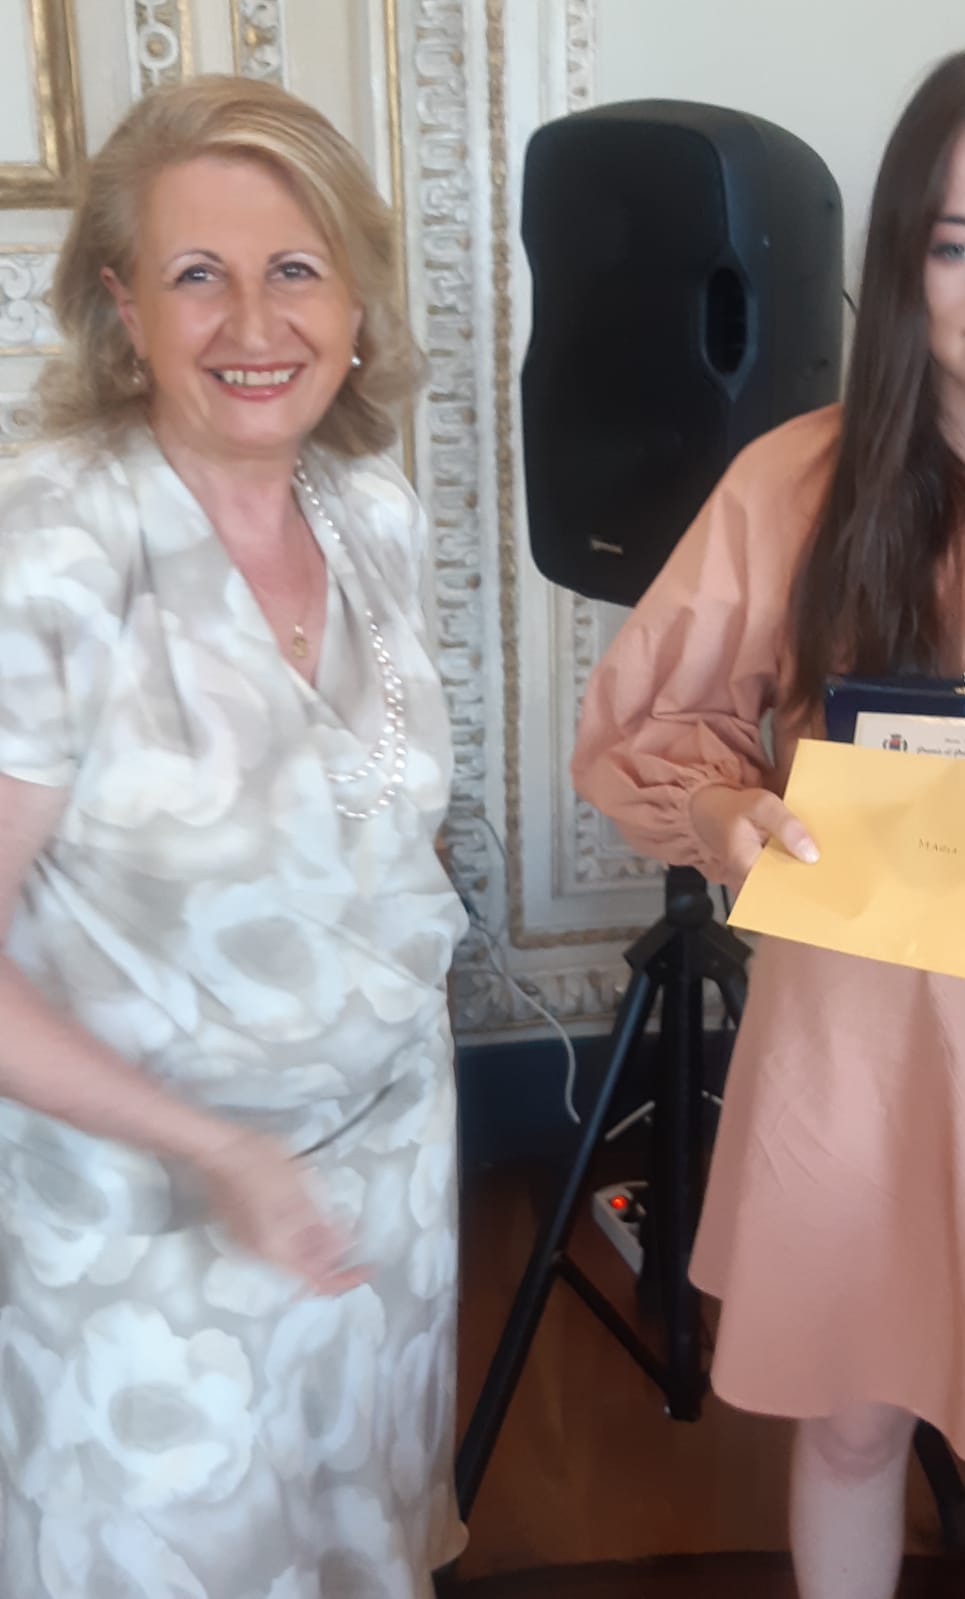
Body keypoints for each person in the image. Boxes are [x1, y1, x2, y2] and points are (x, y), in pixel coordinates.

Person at [573, 42, 965, 1599]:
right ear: (902, 259)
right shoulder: (795, 484)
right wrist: (726, 812)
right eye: (955, 242)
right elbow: (658, 723)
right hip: (846, 1041)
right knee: (850, 1423)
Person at [0, 75, 466, 1597]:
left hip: (382, 1183)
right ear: (122, 306)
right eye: (198, 273)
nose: (254, 323)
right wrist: (216, 1147)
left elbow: (373, 821)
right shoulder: (47, 549)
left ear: (355, 301)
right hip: (146, 1219)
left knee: (359, 1544)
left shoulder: (370, 510)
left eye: (296, 269)